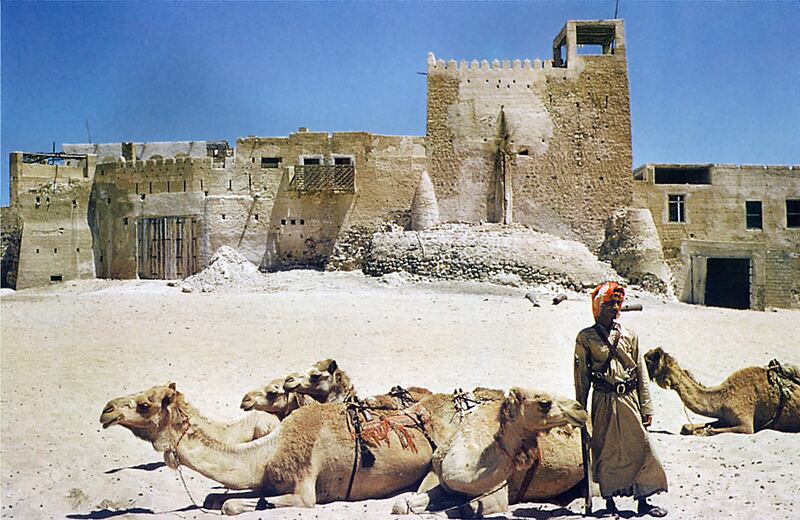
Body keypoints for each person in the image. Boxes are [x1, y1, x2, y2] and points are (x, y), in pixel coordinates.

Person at [574, 282, 668, 517]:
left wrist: (646, 407)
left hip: (629, 399)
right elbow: (581, 377)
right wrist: (580, 411)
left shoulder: (630, 335)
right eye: (609, 304)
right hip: (603, 400)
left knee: (641, 447)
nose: (615, 308)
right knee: (605, 450)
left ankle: (644, 501)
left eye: (618, 304)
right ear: (598, 307)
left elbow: (641, 374)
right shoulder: (586, 338)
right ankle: (609, 504)